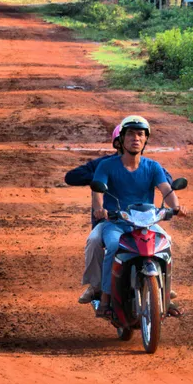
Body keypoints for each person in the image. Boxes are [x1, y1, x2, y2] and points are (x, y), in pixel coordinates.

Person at [90, 115, 180, 318]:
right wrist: (99, 208)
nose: (136, 138)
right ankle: (105, 298)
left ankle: (165, 297)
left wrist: (176, 207)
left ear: (146, 139)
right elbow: (97, 192)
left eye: (140, 134)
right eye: (130, 134)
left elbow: (166, 189)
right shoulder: (107, 166)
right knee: (114, 246)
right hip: (116, 223)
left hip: (146, 223)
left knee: (166, 243)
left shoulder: (153, 167)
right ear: (122, 139)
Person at [64, 125, 121, 304]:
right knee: (94, 241)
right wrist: (100, 178)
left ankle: (160, 285)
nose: (133, 140)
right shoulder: (103, 165)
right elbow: (71, 177)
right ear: (117, 143)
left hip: (137, 220)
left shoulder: (146, 165)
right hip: (107, 221)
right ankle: (96, 285)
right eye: (127, 137)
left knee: (161, 241)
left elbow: (166, 179)